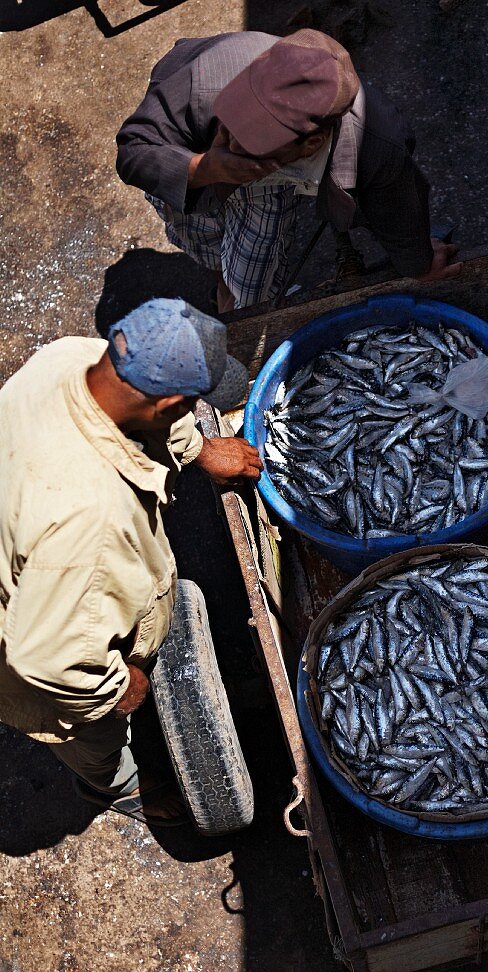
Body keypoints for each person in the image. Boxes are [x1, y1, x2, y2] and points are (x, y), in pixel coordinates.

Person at [0, 299, 262, 826]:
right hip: (26, 642)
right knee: (92, 739)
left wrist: (197, 449)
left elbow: (147, 421)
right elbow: (41, 661)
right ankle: (118, 789)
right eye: (191, 403)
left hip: (25, 543)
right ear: (169, 401)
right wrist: (119, 685)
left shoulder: (71, 359)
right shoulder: (92, 522)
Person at [116, 29, 459, 312]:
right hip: (197, 159)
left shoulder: (379, 145)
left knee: (251, 290)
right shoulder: (207, 81)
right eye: (234, 116)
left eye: (253, 138)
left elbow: (399, 211)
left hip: (269, 180)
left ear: (310, 145)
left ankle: (235, 300)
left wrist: (421, 264)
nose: (230, 140)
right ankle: (223, 278)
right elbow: (134, 152)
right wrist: (205, 167)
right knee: (201, 238)